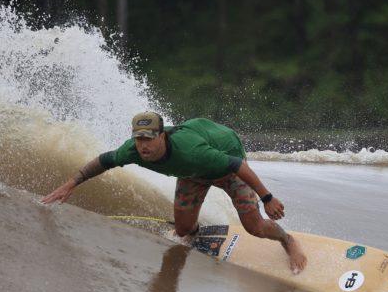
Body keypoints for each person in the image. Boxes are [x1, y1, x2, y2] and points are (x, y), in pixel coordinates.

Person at [41, 111, 307, 274]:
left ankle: (287, 241)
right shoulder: (132, 151)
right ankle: (197, 233)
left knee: (254, 227)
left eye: (149, 138)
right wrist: (70, 184)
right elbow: (103, 161)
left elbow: (237, 166)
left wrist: (267, 198)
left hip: (228, 163)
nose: (143, 145)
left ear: (162, 136)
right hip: (194, 173)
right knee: (182, 231)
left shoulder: (191, 150)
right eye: (139, 138)